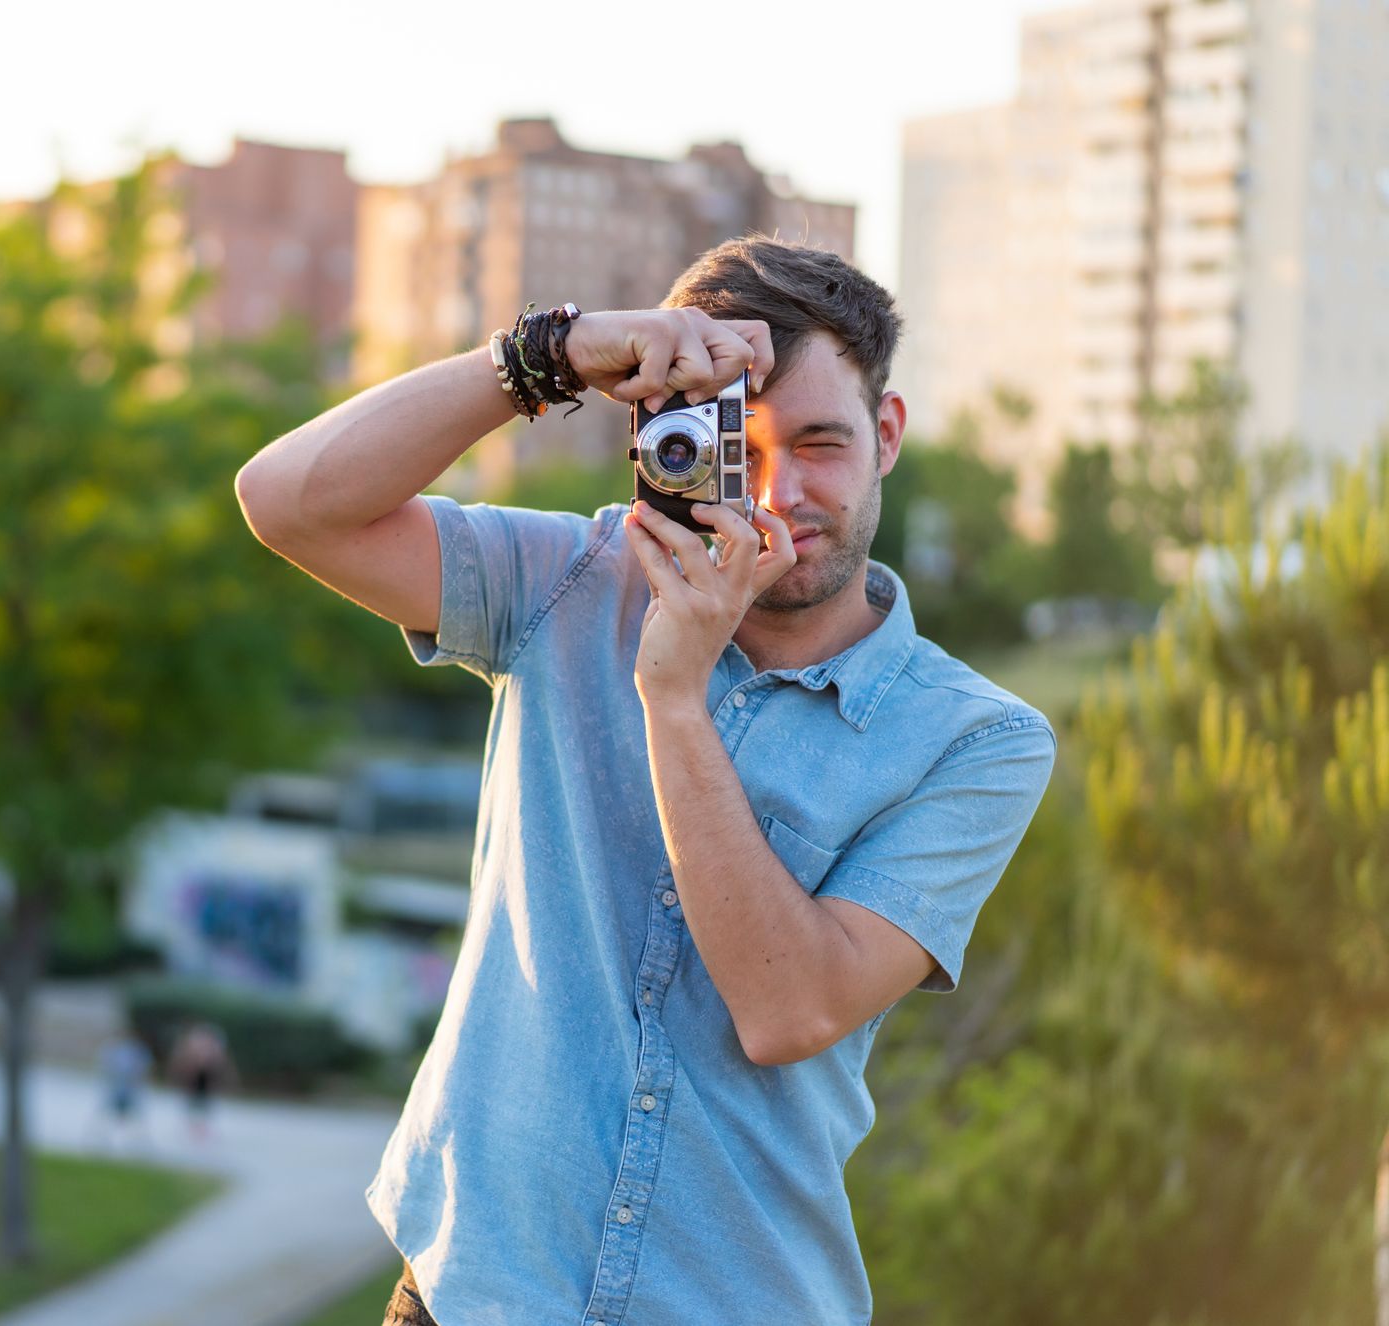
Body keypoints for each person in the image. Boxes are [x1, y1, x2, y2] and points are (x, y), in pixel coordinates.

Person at [235, 235, 1057, 1325]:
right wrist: (552, 354)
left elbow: (789, 1006)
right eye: (736, 447)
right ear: (661, 437)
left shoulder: (975, 739)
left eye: (822, 443)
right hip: (474, 1291)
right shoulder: (571, 579)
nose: (781, 494)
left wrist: (673, 697)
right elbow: (287, 502)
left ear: (888, 435)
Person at [165, 1020, 235, 1143]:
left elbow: (219, 1067)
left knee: (203, 1106)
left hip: (204, 1083)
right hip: (196, 1083)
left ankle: (200, 1128)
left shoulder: (211, 1051)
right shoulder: (194, 1050)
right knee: (193, 1105)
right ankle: (195, 1127)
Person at [98, 1029, 153, 1153]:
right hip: (118, 1089)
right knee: (109, 1115)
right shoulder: (116, 1049)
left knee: (134, 1118)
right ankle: (103, 1139)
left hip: (130, 1091)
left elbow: (142, 1070)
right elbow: (108, 1067)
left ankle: (139, 1143)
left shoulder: (137, 1051)